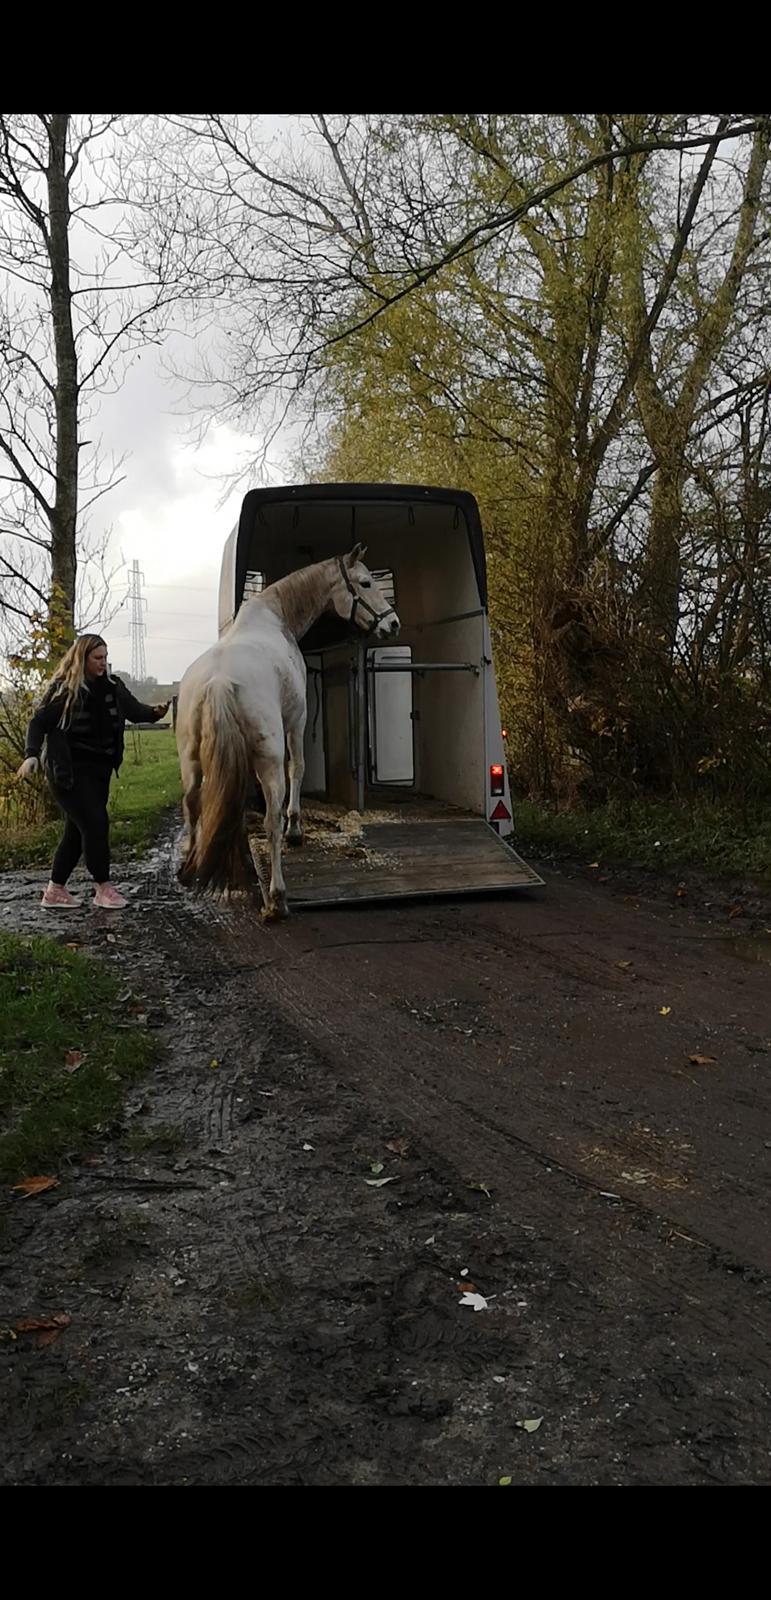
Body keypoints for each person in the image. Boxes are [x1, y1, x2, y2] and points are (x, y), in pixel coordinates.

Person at [17, 634, 169, 910]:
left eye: (105, 657)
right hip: (67, 773)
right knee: (96, 823)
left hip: (99, 772)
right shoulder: (66, 689)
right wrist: (31, 755)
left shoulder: (112, 686)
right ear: (82, 658)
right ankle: (103, 888)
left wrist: (155, 712)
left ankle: (54, 891)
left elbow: (134, 711)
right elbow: (38, 723)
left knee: (77, 831)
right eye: (97, 658)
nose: (103, 663)